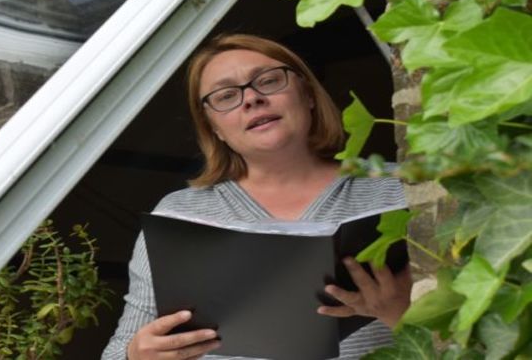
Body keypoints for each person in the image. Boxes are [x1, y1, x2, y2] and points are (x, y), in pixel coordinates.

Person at [102, 34, 411, 360]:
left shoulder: (399, 188)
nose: (251, 98)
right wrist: (137, 355)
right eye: (226, 96)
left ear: (307, 94)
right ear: (214, 128)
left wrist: (400, 313)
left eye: (268, 81)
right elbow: (116, 353)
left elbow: (451, 339)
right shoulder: (178, 214)